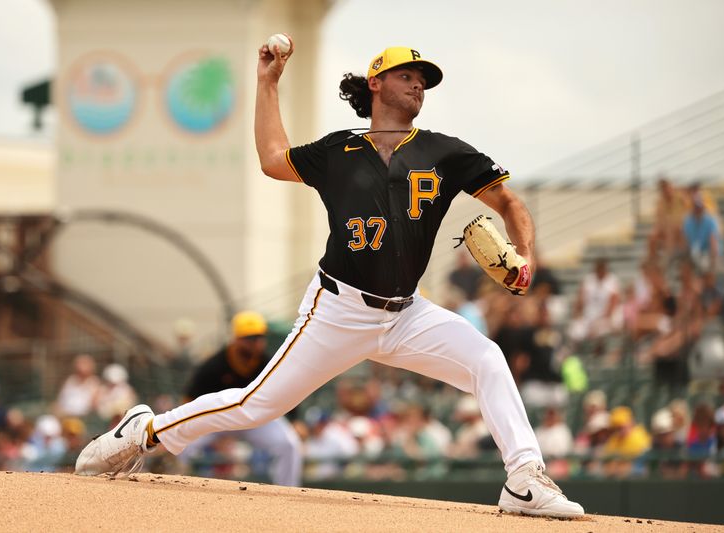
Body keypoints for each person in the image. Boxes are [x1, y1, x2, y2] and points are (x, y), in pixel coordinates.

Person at [75, 41, 583, 518]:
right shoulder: (339, 151)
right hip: (338, 309)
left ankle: (524, 479)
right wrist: (268, 83)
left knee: (486, 359)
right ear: (376, 85)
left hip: (407, 312)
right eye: (406, 76)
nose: (418, 86)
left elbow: (509, 202)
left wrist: (526, 253)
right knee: (257, 404)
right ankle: (145, 431)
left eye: (423, 80)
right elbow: (274, 160)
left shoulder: (444, 152)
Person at [177, 311, 302, 487]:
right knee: (180, 442)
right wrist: (195, 428)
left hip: (254, 420)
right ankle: (169, 485)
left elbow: (287, 391)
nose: (256, 343)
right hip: (217, 421)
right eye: (250, 338)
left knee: (289, 444)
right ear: (236, 339)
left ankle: (289, 491)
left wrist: (295, 420)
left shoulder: (268, 362)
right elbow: (188, 400)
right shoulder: (214, 365)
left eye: (259, 337)